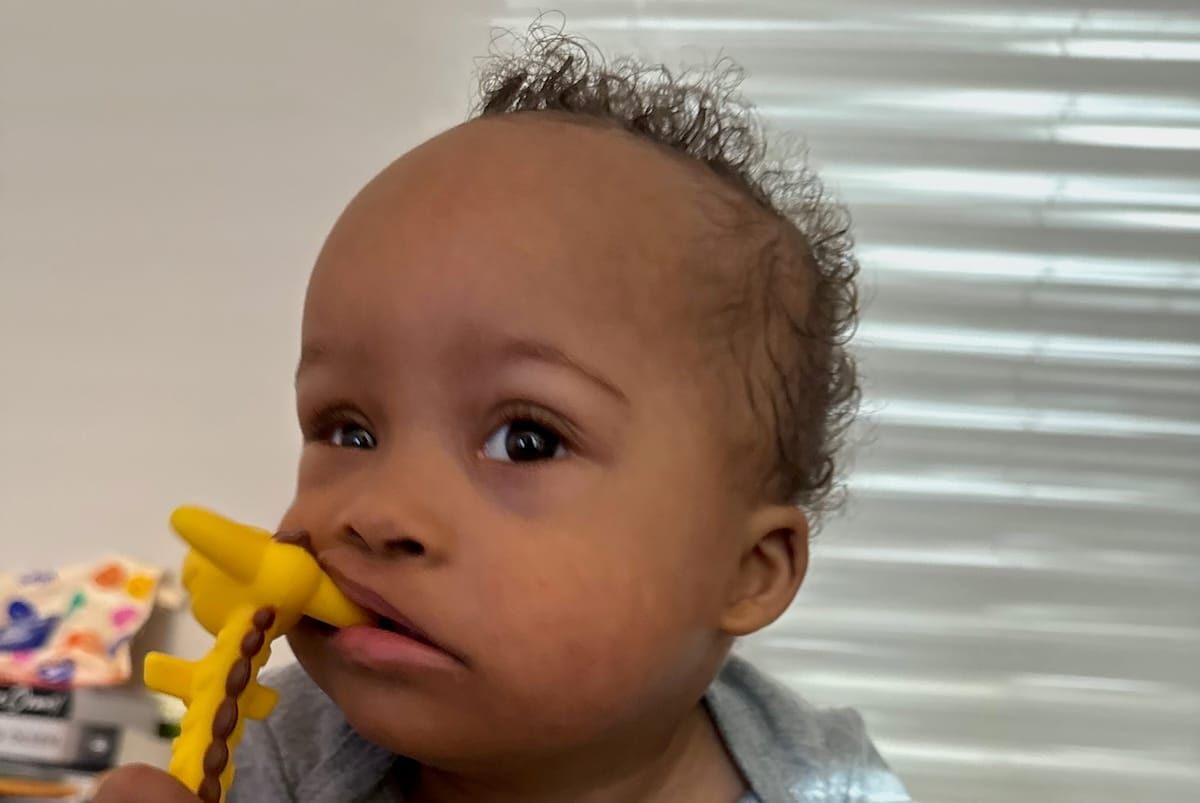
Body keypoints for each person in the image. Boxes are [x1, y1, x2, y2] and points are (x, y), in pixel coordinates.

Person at [94, 26, 910, 803]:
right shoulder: (271, 760)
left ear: (748, 570)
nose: (379, 514)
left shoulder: (828, 782)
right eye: (350, 430)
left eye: (526, 440)